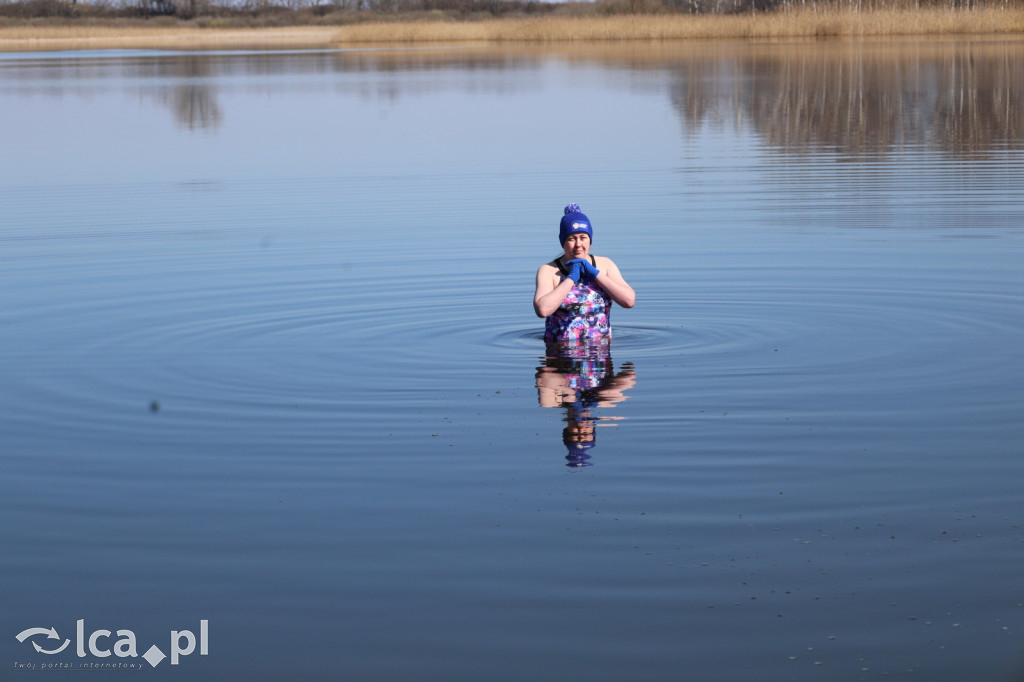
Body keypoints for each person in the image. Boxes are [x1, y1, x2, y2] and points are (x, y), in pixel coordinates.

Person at [533, 203, 635, 350]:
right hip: (560, 356)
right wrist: (570, 279)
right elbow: (542, 310)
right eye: (571, 238)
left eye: (583, 237)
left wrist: (596, 274)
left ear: (590, 239)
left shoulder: (605, 265)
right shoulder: (549, 270)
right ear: (563, 241)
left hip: (600, 354)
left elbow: (629, 301)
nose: (578, 244)